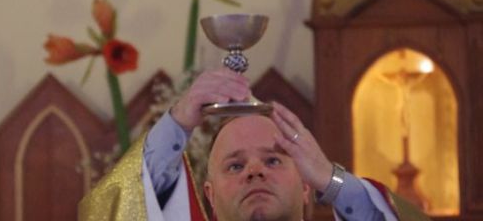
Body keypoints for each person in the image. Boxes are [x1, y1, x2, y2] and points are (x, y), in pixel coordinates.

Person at [79, 69, 430, 221]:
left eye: (273, 160)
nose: (254, 172)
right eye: (235, 165)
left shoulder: (322, 183)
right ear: (210, 195)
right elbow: (109, 212)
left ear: (306, 186)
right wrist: (178, 121)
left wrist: (331, 180)